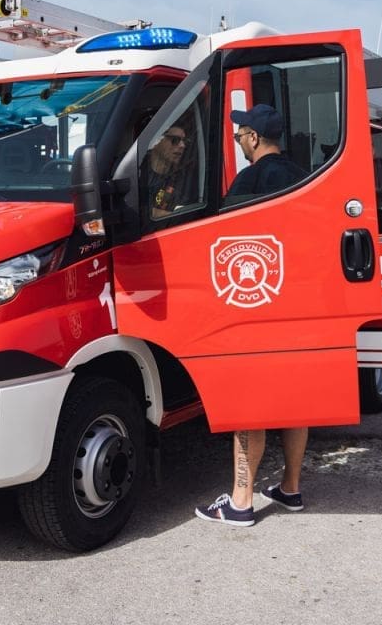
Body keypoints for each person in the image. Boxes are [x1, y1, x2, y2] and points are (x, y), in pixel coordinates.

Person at [196, 104, 308, 526]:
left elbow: (221, 240)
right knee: (295, 405)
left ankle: (241, 502)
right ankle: (290, 488)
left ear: (255, 138)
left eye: (240, 135)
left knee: (249, 407)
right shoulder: (303, 177)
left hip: (255, 306)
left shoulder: (250, 180)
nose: (239, 141)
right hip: (296, 307)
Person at [143, 125, 191, 218]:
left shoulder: (179, 176)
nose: (182, 146)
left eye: (185, 141)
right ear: (156, 141)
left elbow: (160, 212)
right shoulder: (137, 166)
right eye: (175, 140)